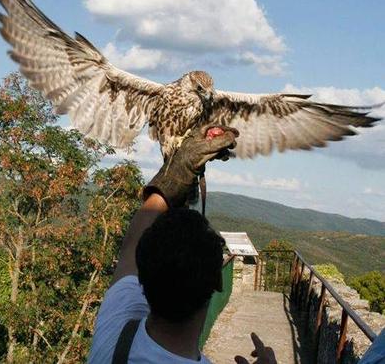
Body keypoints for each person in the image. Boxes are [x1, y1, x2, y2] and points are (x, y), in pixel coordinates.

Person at [88, 125, 278, 364]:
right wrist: (182, 170)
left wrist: (179, 169)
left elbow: (131, 244)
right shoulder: (117, 319)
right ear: (218, 281)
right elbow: (133, 246)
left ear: (143, 276)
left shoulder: (117, 331)